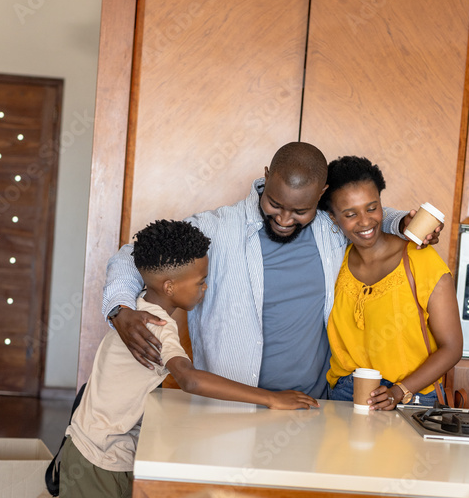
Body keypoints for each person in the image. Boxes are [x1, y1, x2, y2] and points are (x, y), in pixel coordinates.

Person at [103, 142, 442, 397]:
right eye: (275, 204)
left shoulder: (331, 229)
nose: (283, 219)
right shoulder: (218, 228)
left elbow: (364, 217)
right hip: (228, 411)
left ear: (321, 196)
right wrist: (120, 309)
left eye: (299, 211)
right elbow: (132, 255)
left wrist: (403, 224)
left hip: (312, 407)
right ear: (266, 177)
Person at [59, 219, 317, 498]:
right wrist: (271, 398)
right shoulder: (156, 325)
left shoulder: (138, 305)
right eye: (201, 281)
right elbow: (190, 380)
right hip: (100, 460)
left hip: (93, 449)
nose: (205, 288)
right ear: (169, 286)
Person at [320, 155, 463, 410]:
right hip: (344, 395)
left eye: (372, 208)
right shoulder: (334, 264)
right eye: (350, 214)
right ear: (333, 217)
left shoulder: (421, 259)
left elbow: (452, 347)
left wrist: (399, 391)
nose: (365, 221)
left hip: (412, 398)